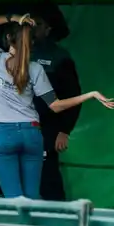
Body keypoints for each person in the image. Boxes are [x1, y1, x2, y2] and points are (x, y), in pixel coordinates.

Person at [0, 13, 114, 198]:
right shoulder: (35, 68)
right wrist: (89, 95)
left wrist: (14, 18)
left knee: (14, 199)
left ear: (8, 39)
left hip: (4, 133)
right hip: (32, 133)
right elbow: (56, 105)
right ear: (31, 42)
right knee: (32, 198)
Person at [30, 11, 82, 201]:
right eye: (29, 22)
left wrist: (64, 130)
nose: (32, 27)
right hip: (18, 126)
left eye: (38, 23)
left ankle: (59, 221)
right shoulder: (18, 52)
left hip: (47, 129)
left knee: (48, 179)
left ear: (48, 28)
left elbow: (73, 96)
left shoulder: (59, 57)